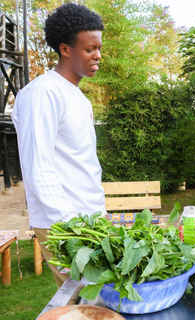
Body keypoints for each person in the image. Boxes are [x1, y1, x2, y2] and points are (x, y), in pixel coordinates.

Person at [12, 3, 106, 288]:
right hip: (65, 224)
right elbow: (38, 166)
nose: (98, 56)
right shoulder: (43, 93)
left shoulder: (78, 97)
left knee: (96, 302)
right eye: (89, 49)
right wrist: (71, 228)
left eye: (99, 48)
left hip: (88, 218)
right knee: (82, 301)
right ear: (65, 49)